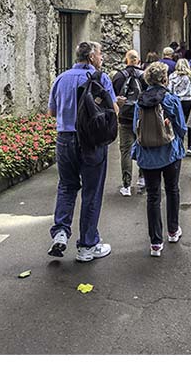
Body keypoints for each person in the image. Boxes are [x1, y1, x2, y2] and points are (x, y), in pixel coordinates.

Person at [47, 40, 118, 262]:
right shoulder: (101, 78)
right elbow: (113, 109)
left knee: (67, 187)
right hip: (91, 142)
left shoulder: (61, 78)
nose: (102, 58)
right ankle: (87, 245)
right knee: (91, 192)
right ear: (91, 58)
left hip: (65, 139)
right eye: (99, 54)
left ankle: (60, 232)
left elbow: (51, 112)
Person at [131, 61, 186, 257]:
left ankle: (155, 243)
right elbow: (181, 127)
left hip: (147, 154)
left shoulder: (140, 100)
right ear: (164, 79)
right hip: (169, 151)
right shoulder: (170, 99)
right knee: (172, 190)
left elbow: (134, 128)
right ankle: (172, 230)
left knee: (153, 196)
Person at [111, 50, 147, 196]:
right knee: (143, 146)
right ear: (138, 61)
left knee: (125, 150)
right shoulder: (145, 76)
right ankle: (142, 178)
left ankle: (126, 185)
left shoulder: (118, 76)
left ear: (126, 60)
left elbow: (112, 96)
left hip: (125, 117)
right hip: (141, 117)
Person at [168, 58, 191, 156]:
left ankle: (179, 144)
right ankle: (190, 146)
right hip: (189, 101)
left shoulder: (172, 76)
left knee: (177, 123)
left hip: (177, 101)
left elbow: (169, 89)